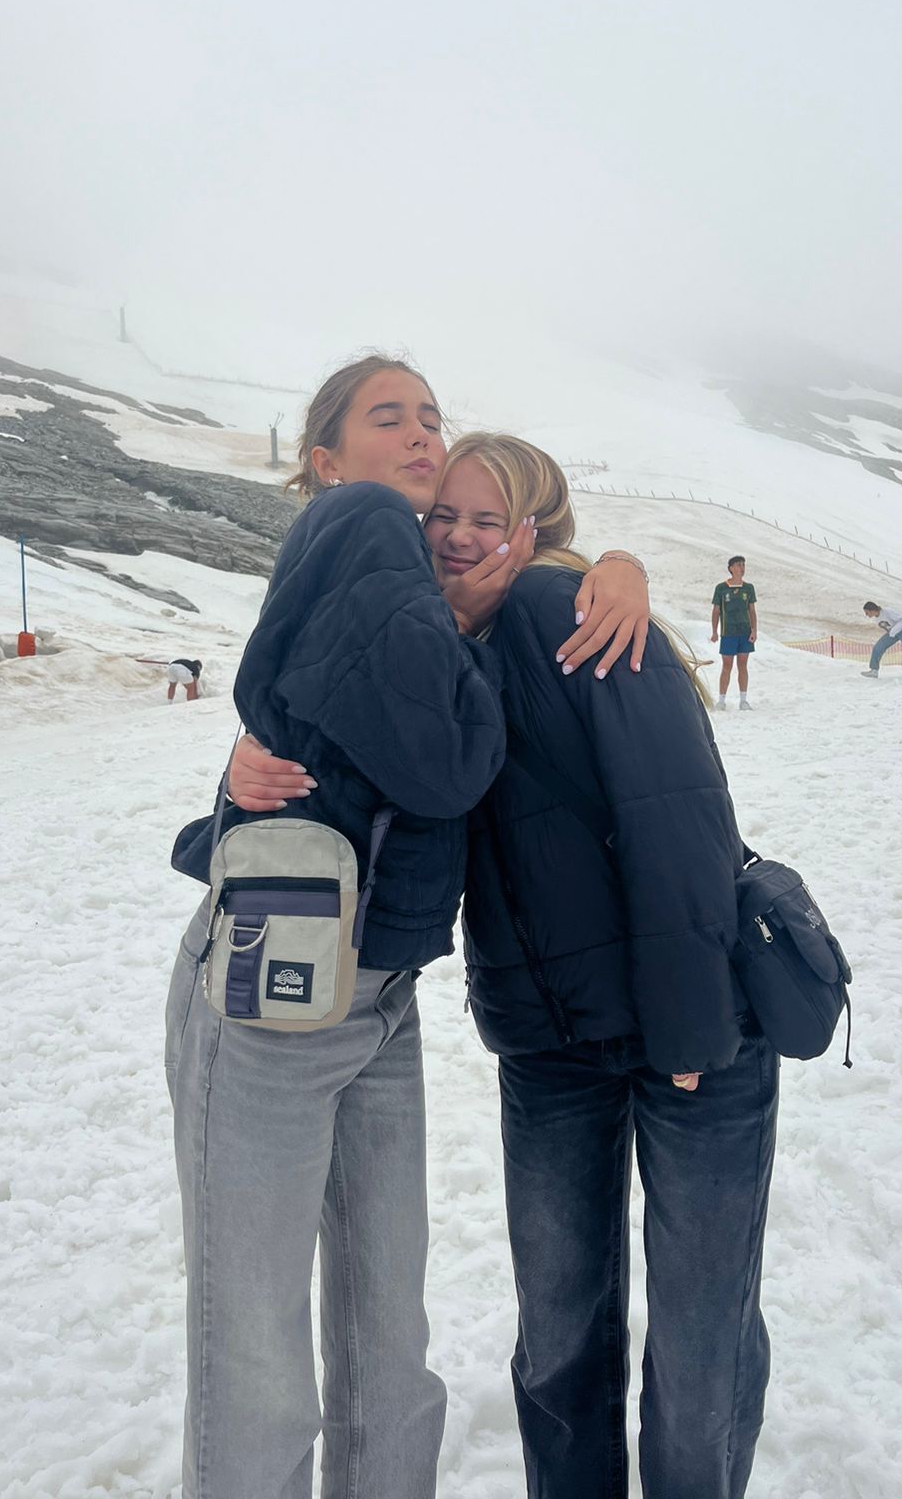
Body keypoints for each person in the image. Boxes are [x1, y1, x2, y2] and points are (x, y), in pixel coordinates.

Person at [236, 433, 776, 1499]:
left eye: (488, 519)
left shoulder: (565, 612)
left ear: (535, 530)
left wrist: (689, 1032)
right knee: (561, 1332)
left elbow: (679, 822)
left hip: (691, 1034)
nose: (458, 537)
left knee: (700, 1337)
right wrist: (241, 768)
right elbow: (343, 768)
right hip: (549, 1044)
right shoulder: (432, 648)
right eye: (443, 516)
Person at [165, 355, 653, 1499]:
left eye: (432, 414)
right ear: (326, 460)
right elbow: (448, 762)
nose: (423, 432)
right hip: (273, 996)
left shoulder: (398, 576)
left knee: (386, 1342)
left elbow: (328, 746)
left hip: (373, 995)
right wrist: (478, 615)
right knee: (264, 1354)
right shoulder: (362, 521)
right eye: (389, 416)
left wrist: (611, 567)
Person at [709, 554, 757, 710]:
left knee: (743, 665)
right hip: (728, 632)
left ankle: (743, 700)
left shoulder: (748, 588)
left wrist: (754, 630)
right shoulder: (721, 588)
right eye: (738, 565)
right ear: (731, 568)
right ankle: (721, 701)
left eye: (743, 565)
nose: (741, 568)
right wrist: (714, 631)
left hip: (744, 632)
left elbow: (752, 610)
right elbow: (716, 611)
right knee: (727, 665)